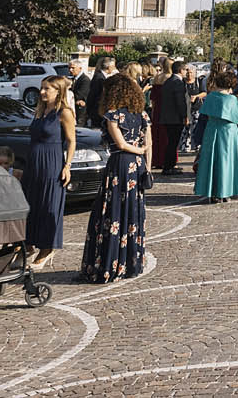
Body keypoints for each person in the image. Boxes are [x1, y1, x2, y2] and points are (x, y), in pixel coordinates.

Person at [79, 73, 150, 283]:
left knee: (113, 212)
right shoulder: (142, 115)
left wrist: (137, 150)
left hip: (120, 164)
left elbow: (120, 145)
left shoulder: (112, 115)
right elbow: (149, 144)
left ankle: (110, 264)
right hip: (137, 166)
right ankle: (130, 263)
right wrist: (146, 164)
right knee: (133, 212)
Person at [23, 75, 75, 270]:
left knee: (49, 205)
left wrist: (67, 165)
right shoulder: (40, 110)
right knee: (32, 204)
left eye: (47, 89)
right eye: (42, 88)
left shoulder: (64, 113)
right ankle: (29, 244)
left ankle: (47, 248)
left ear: (58, 91)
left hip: (52, 162)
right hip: (34, 162)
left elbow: (71, 140)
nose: (42, 92)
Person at [194, 68, 238, 202]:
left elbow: (204, 114)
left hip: (212, 130)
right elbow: (236, 118)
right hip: (228, 132)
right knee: (227, 161)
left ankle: (213, 191)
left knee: (212, 161)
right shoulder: (232, 99)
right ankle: (225, 191)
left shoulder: (210, 96)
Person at [154, 61, 188, 176]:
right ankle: (169, 166)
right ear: (181, 70)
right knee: (173, 143)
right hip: (175, 117)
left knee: (171, 142)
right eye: (185, 69)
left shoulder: (169, 81)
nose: (186, 72)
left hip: (167, 116)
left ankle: (170, 165)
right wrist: (184, 115)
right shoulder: (177, 82)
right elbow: (180, 101)